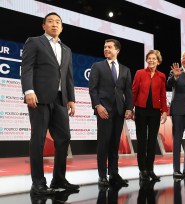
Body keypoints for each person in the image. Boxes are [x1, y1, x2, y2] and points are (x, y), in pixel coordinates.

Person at [21, 12, 79, 195]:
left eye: (58, 22)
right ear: (43, 25)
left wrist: (71, 99)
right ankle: (38, 183)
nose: (55, 24)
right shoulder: (35, 41)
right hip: (39, 98)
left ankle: (58, 179)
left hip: (61, 100)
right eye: (51, 22)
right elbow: (27, 67)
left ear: (62, 27)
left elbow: (68, 76)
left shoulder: (67, 49)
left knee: (64, 138)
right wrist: (28, 90)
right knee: (38, 141)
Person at [89, 39, 133, 187]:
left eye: (109, 47)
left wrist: (129, 108)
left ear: (117, 50)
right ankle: (102, 176)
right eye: (105, 46)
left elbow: (128, 91)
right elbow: (93, 89)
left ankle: (113, 173)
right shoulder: (97, 66)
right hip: (104, 110)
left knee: (115, 143)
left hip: (119, 111)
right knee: (103, 143)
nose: (106, 49)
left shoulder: (125, 69)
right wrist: (97, 105)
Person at [132, 50, 167, 181]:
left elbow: (163, 95)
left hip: (155, 112)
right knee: (141, 141)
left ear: (158, 61)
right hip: (141, 110)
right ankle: (142, 170)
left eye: (154, 58)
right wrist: (130, 108)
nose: (151, 60)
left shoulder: (162, 76)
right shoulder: (140, 73)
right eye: (149, 58)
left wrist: (164, 111)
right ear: (147, 60)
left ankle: (150, 169)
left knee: (152, 142)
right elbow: (134, 91)